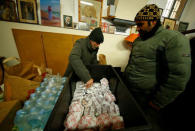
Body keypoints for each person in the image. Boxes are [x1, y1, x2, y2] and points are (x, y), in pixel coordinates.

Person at [124, 4, 191, 112]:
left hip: (147, 96)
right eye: (137, 24)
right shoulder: (139, 40)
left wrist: (158, 102)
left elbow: (178, 76)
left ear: (153, 22)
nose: (137, 28)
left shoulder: (173, 39)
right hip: (130, 89)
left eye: (140, 24)